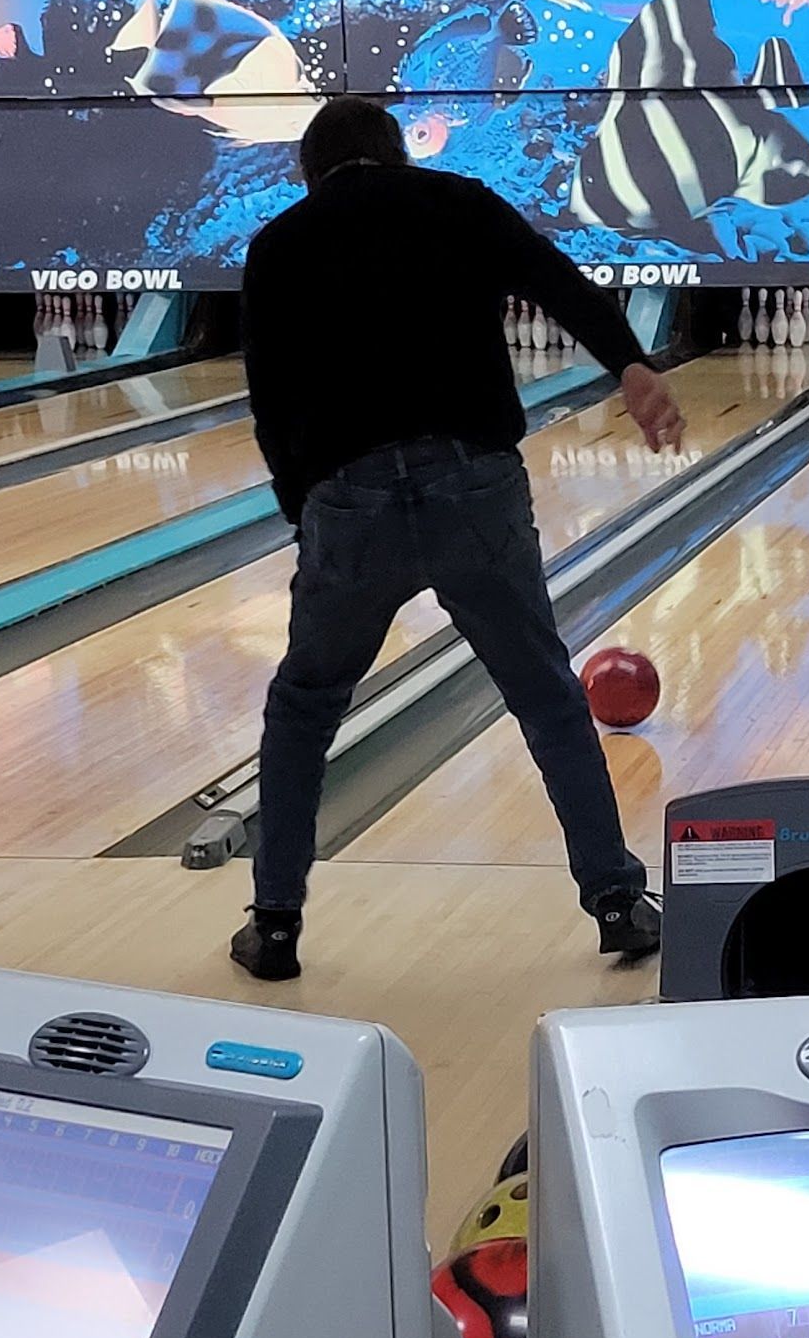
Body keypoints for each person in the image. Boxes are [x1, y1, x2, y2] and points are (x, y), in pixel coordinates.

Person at [234, 95, 685, 980]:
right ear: (397, 154)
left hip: (350, 499)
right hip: (472, 483)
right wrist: (631, 363)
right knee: (549, 696)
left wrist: (310, 512)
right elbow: (560, 283)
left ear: (309, 171)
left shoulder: (278, 243)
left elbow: (269, 397)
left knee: (304, 708)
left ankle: (276, 924)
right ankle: (616, 900)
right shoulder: (458, 200)